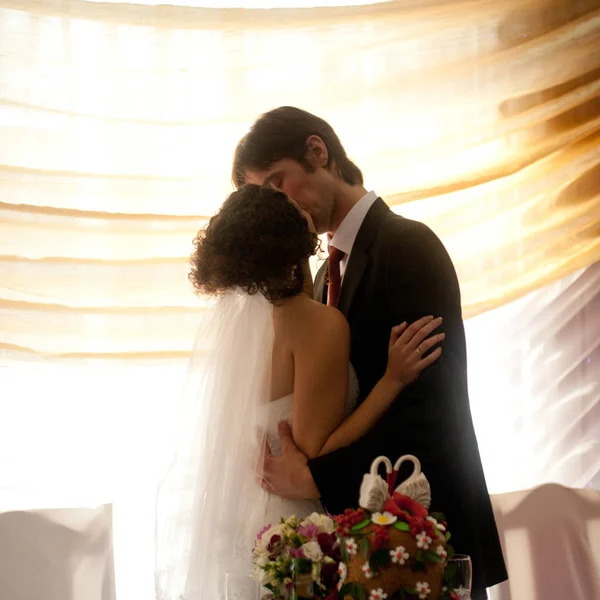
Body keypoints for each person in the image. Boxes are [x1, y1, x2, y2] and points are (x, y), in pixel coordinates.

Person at [233, 106, 508, 599]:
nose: (278, 205)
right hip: (357, 544)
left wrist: (314, 476)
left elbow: (429, 411)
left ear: (318, 152)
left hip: (422, 539)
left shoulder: (407, 246)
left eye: (279, 182)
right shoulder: (316, 281)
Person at [155, 184, 443, 600]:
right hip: (297, 526)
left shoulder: (243, 331)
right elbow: (313, 449)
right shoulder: (317, 322)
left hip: (249, 520)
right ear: (296, 248)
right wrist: (390, 382)